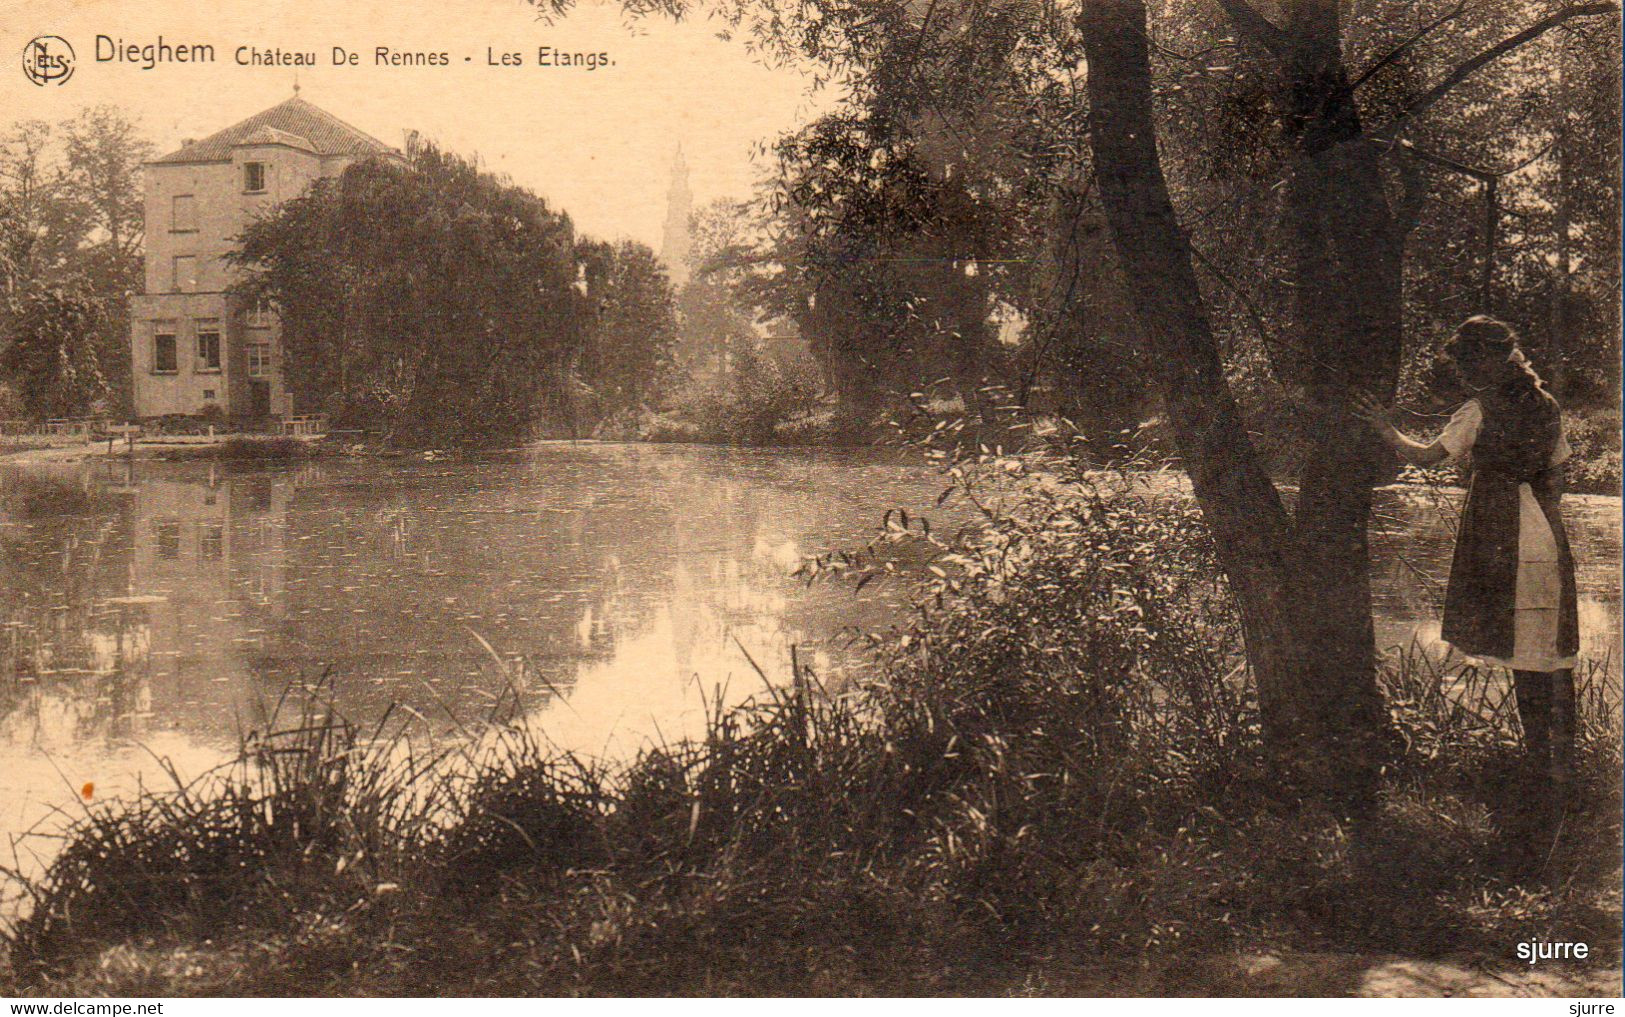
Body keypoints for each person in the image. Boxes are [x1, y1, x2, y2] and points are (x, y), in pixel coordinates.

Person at [1352, 315, 1579, 840]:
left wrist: (1384, 429)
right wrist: (1539, 510)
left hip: (1504, 530)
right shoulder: (1547, 406)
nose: (1470, 373)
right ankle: (1549, 770)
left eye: (1473, 362)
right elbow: (1557, 475)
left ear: (1497, 359)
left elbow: (1426, 457)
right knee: (1542, 651)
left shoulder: (1480, 410)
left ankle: (1540, 777)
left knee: (1526, 648)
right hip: (1544, 528)